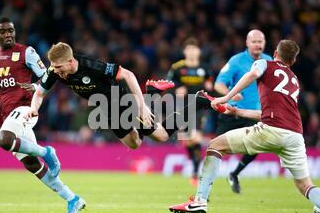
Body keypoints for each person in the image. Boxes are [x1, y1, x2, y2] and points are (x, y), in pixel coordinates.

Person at [169, 40, 320, 213]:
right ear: (293, 61)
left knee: (215, 145)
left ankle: (200, 201)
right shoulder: (293, 80)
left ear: (275, 53)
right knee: (305, 185)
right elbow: (269, 113)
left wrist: (226, 97)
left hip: (271, 130)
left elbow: (252, 75)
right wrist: (238, 111)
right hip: (294, 135)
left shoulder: (264, 64)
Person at [0, 17, 85, 213]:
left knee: (4, 139)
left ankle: (47, 152)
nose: (8, 34)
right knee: (32, 164)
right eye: (3, 31)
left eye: (11, 30)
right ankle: (73, 199)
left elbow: (47, 76)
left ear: (14, 32)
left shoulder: (27, 52)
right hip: (9, 114)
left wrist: (34, 86)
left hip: (26, 108)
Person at [24, 42, 210, 150]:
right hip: (106, 110)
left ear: (71, 61)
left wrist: (142, 107)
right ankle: (152, 94)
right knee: (135, 144)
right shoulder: (54, 70)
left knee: (161, 136)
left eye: (59, 67)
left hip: (122, 101)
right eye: (54, 67)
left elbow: (128, 74)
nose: (55, 71)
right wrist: (33, 108)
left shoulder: (92, 66)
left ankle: (197, 102)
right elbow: (40, 92)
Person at [214, 29, 272, 193]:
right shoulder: (236, 61)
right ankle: (204, 189)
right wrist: (229, 94)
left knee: (257, 147)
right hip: (232, 111)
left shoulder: (270, 62)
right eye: (254, 42)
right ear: (247, 43)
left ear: (264, 43)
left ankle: (234, 174)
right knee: (215, 148)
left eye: (260, 42)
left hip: (253, 114)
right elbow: (218, 84)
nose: (257, 45)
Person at [167, 37, 216, 186]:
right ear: (185, 51)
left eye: (194, 49)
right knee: (188, 141)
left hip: (200, 107)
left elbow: (211, 82)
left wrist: (209, 85)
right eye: (189, 49)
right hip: (183, 107)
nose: (192, 52)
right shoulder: (177, 67)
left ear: (199, 51)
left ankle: (195, 173)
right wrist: (177, 88)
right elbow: (169, 83)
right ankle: (195, 170)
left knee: (195, 138)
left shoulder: (205, 67)